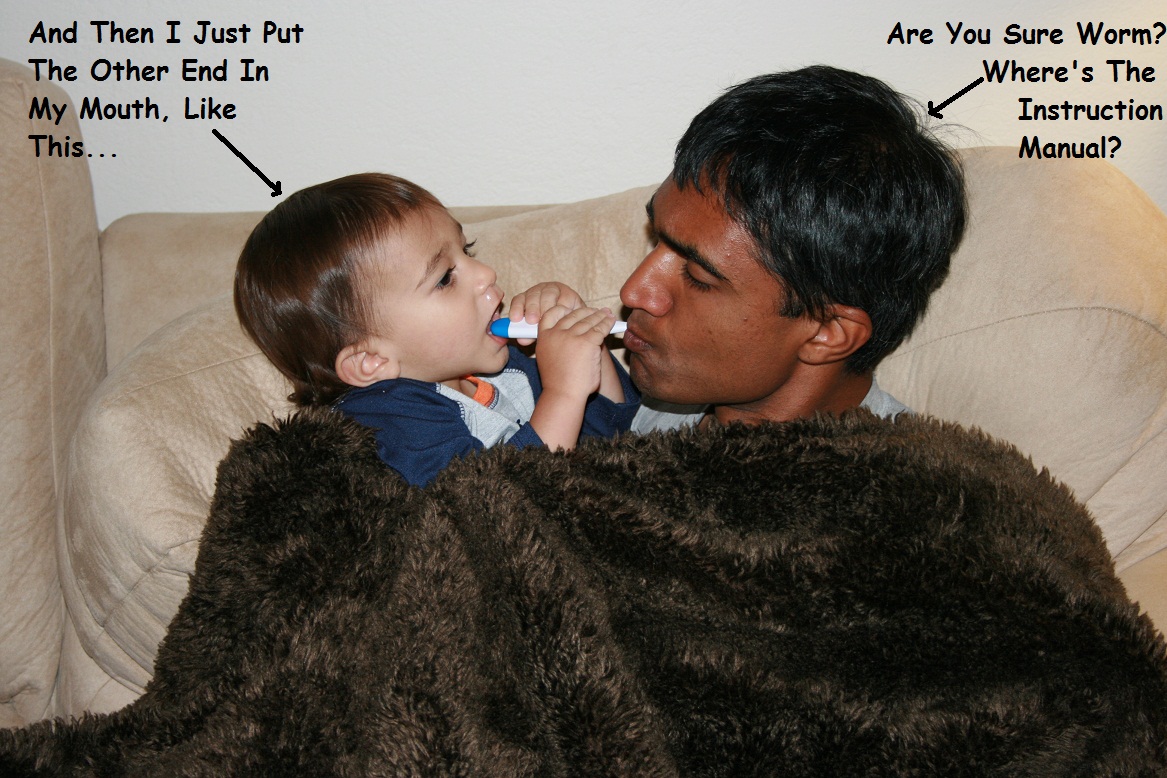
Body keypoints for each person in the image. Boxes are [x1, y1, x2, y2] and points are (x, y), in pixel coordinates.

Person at [509, 65, 966, 430]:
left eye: (699, 277)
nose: (634, 291)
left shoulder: (911, 496)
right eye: (657, 239)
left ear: (827, 332)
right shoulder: (650, 416)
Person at [234, 173, 640, 486]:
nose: (486, 273)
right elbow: (499, 504)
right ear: (372, 360)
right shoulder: (388, 418)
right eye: (445, 278)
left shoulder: (508, 363)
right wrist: (564, 392)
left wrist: (584, 342)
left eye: (468, 250)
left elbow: (617, 439)